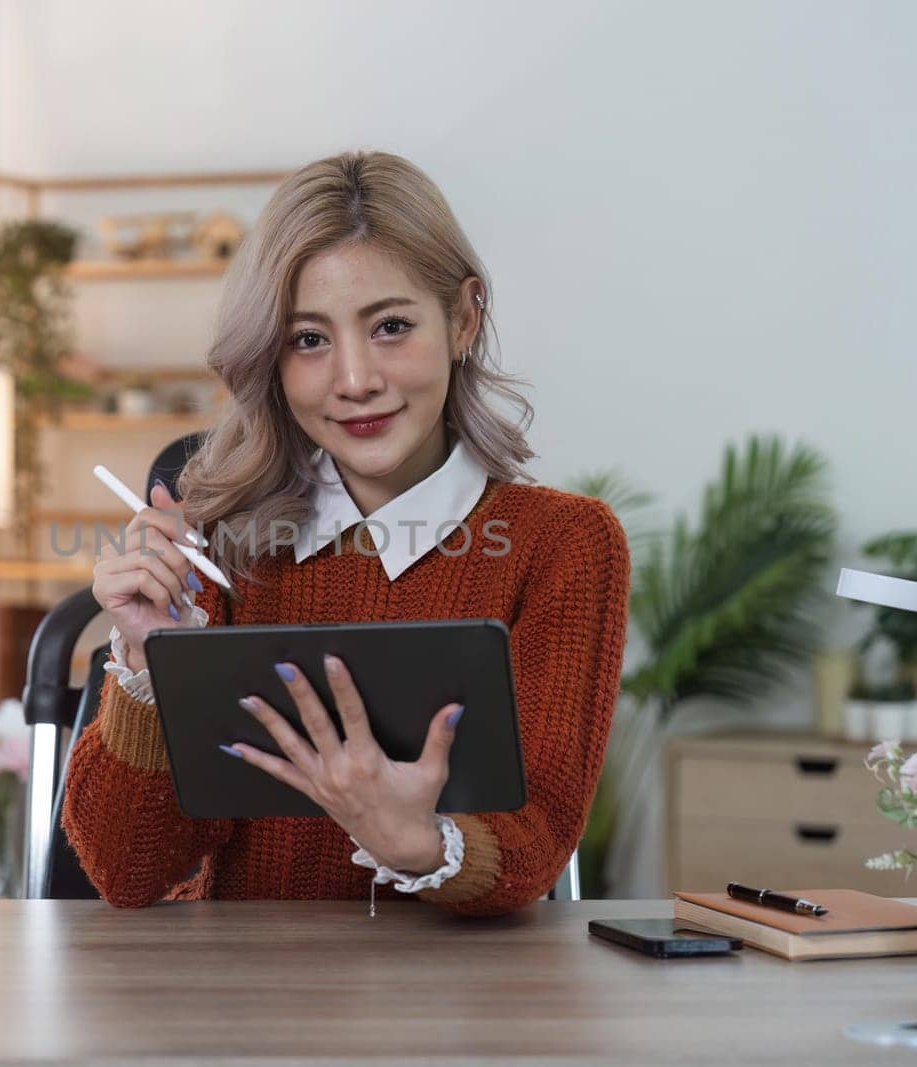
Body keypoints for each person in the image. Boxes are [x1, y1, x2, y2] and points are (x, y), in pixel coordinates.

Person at [61, 150, 630, 916]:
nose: (355, 379)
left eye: (391, 326)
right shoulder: (222, 545)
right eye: (308, 340)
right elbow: (128, 872)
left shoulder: (563, 544)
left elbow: (536, 842)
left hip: (459, 1010)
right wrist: (146, 666)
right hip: (247, 996)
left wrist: (417, 841)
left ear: (464, 317)